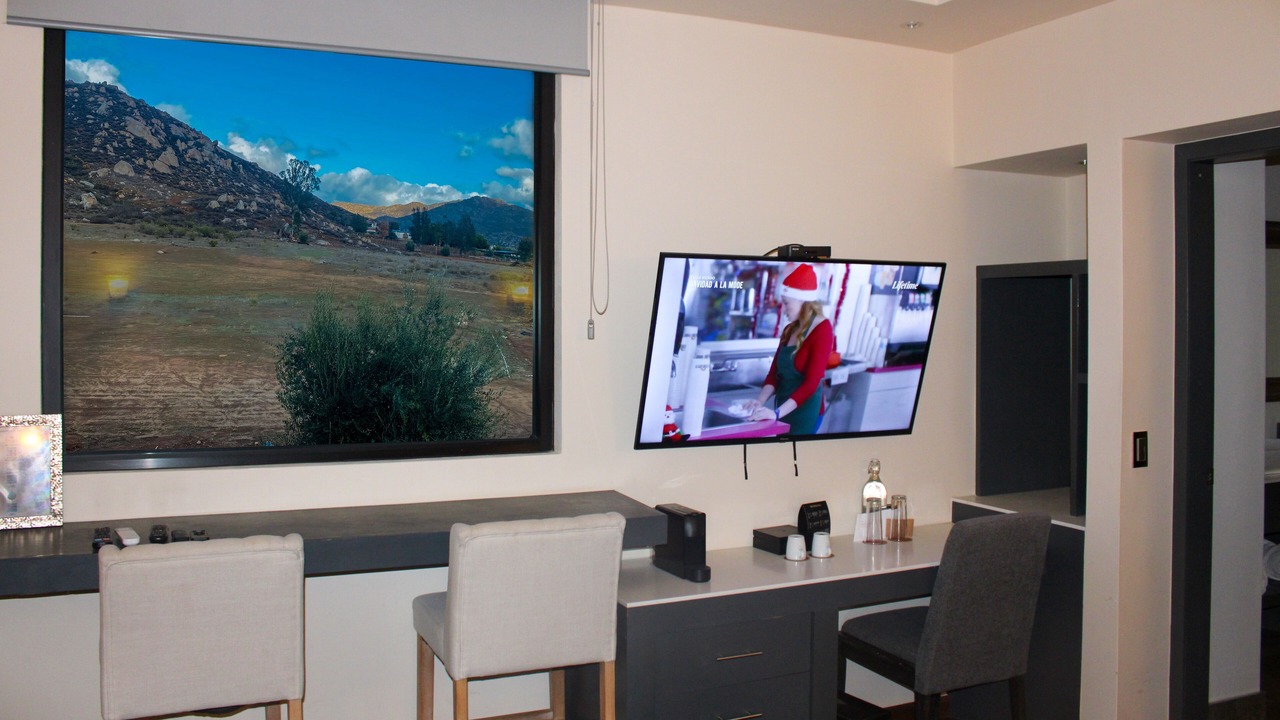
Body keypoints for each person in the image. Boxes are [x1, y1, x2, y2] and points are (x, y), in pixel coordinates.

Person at [743, 263, 834, 435]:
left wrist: (776, 413)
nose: (783, 309)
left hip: (806, 413)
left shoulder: (823, 330)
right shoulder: (790, 329)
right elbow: (774, 375)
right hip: (784, 410)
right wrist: (759, 401)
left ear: (802, 300)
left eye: (786, 303)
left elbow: (811, 385)